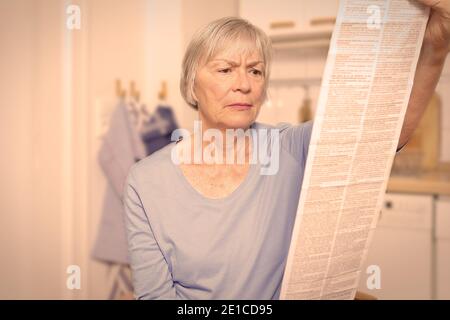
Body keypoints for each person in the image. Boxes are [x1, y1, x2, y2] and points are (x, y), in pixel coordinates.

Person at [123, 0, 450, 299]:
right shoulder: (146, 182)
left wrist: (435, 48)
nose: (245, 84)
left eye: (255, 70)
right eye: (225, 69)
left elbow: (382, 133)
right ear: (191, 83)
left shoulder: (290, 148)